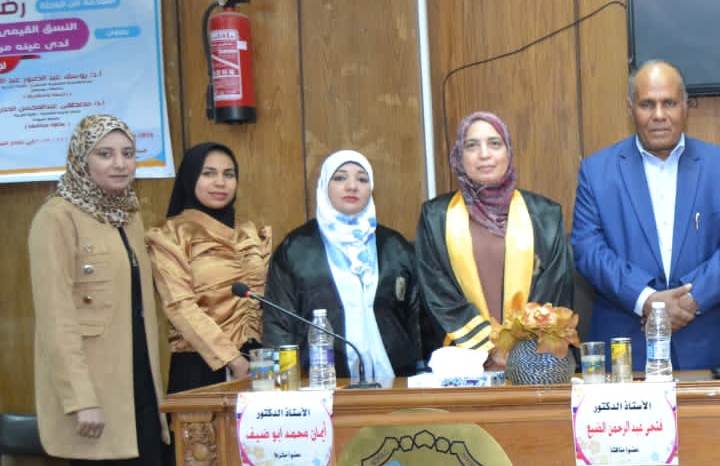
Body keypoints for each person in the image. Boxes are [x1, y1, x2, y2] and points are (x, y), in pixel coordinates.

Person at [28, 114, 185, 466]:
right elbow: (56, 321)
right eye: (105, 154)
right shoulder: (56, 218)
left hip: (137, 390)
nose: (120, 164)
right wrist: (81, 400)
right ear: (82, 159)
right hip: (93, 400)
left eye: (127, 153)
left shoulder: (127, 215)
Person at [572, 61, 720, 371]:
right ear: (630, 109)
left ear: (685, 106)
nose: (659, 115)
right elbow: (588, 249)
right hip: (626, 345)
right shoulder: (596, 171)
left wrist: (689, 301)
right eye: (647, 104)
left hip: (704, 342)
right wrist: (646, 299)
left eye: (669, 103)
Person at [416, 111, 573, 365]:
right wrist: (489, 348)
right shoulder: (435, 217)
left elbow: (554, 289)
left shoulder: (545, 215)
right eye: (472, 145)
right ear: (459, 156)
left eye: (495, 143)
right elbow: (436, 292)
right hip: (463, 362)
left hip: (532, 361)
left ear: (508, 152)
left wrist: (515, 348)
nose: (484, 154)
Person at [262, 149, 422, 381]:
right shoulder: (296, 247)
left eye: (362, 179)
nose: (352, 186)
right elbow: (279, 322)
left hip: (395, 379)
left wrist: (422, 370)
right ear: (324, 186)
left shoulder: (394, 245)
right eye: (340, 178)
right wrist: (283, 380)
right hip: (322, 381)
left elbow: (416, 318)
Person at [148, 141, 272, 392]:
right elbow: (179, 305)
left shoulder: (249, 232)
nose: (220, 183)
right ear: (190, 178)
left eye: (229, 174)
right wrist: (231, 359)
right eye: (208, 174)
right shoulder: (170, 235)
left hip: (258, 362)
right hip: (202, 364)